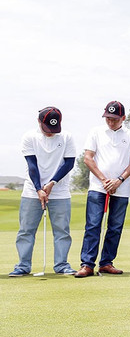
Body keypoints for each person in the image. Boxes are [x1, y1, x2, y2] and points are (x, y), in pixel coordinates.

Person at [75, 101, 130, 278]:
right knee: (93, 225)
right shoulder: (95, 132)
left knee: (115, 227)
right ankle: (87, 264)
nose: (110, 122)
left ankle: (106, 263)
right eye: (108, 118)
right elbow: (88, 158)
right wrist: (104, 180)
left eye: (114, 119)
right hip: (98, 186)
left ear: (123, 118)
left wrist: (119, 180)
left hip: (121, 187)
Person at [10, 107, 77, 277]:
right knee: (26, 230)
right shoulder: (29, 137)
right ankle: (23, 266)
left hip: (60, 191)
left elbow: (69, 163)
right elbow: (32, 166)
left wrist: (52, 182)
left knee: (62, 230)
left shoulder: (67, 137)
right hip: (32, 191)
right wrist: (39, 188)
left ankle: (62, 265)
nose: (50, 132)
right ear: (39, 122)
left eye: (54, 129)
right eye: (47, 128)